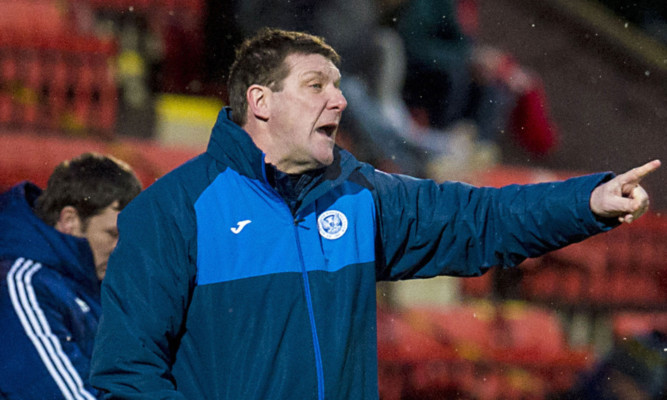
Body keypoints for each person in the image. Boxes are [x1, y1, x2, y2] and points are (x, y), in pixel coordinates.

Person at [89, 28, 660, 399]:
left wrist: (586, 202)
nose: (338, 99)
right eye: (316, 85)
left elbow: (476, 218)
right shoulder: (172, 213)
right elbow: (125, 373)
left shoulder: (357, 195)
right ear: (260, 102)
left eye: (337, 86)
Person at [0, 153, 142, 399]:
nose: (122, 250)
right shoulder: (23, 283)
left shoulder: (97, 280)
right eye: (112, 234)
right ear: (70, 220)